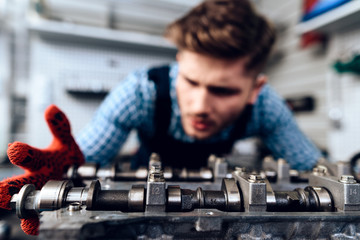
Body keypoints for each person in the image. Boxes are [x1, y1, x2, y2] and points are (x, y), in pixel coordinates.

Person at [76, 0, 322, 171]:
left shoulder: (266, 106)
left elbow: (312, 168)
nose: (200, 106)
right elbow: (77, 163)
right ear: (180, 63)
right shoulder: (140, 92)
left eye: (222, 91)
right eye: (191, 81)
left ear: (254, 90)